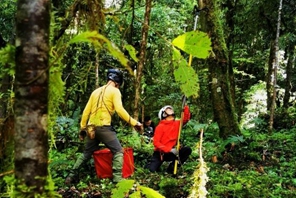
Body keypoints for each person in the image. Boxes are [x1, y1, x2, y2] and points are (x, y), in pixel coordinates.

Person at [65, 69, 142, 184]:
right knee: (118, 151)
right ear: (117, 82)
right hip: (103, 127)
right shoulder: (115, 91)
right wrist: (135, 123)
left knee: (86, 153)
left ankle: (70, 177)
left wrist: (82, 128)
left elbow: (86, 111)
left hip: (91, 128)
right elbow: (120, 110)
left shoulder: (95, 92)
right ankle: (117, 179)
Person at [147, 105, 192, 173]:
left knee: (187, 150)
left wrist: (185, 106)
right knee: (151, 170)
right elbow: (156, 143)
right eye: (168, 111)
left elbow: (185, 119)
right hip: (160, 153)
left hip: (173, 152)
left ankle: (171, 169)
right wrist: (169, 149)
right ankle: (151, 164)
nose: (170, 111)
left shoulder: (177, 124)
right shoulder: (160, 127)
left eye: (171, 110)